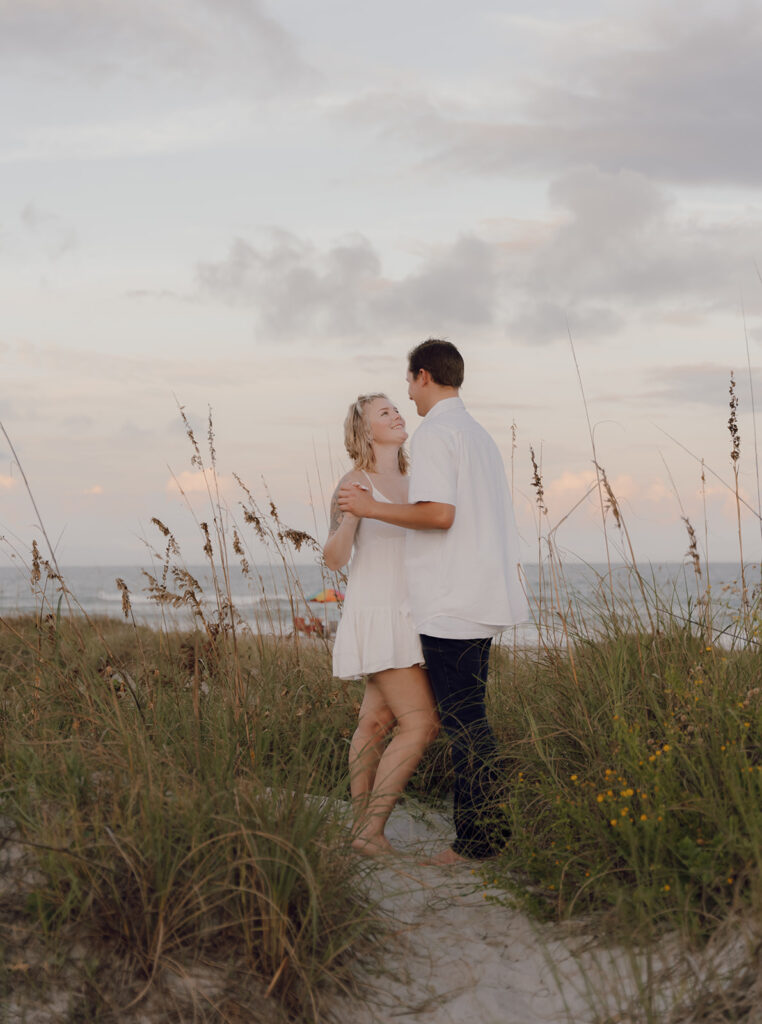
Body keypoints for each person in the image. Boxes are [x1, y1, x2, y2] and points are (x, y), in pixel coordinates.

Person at [338, 340, 527, 865]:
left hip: (451, 603)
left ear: (422, 376)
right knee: (433, 718)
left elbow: (439, 514)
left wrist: (373, 509)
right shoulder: (478, 436)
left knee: (465, 723)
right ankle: (370, 828)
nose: (405, 397)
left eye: (407, 384)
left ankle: (478, 842)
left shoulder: (439, 434)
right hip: (481, 596)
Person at [324, 393, 439, 856]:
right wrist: (351, 517)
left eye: (396, 408)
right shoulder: (353, 482)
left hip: (413, 615)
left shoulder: (418, 482)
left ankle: (358, 829)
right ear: (364, 429)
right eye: (384, 412)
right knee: (422, 724)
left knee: (373, 722)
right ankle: (371, 831)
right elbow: (333, 560)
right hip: (377, 613)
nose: (396, 415)